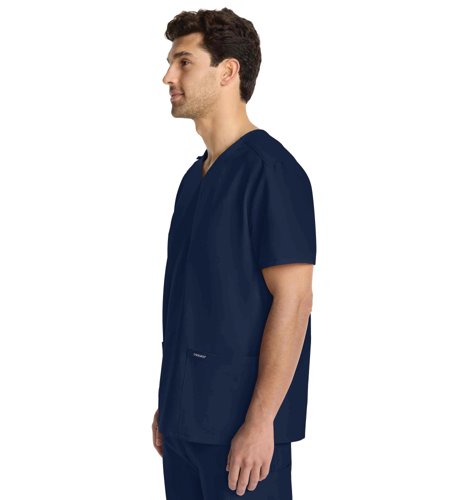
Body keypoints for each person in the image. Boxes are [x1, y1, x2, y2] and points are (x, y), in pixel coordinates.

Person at [152, 8, 317, 499]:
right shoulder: (194, 178)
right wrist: (172, 402)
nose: (168, 76)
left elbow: (295, 301)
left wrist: (261, 422)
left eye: (184, 62)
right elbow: (199, 301)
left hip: (242, 437)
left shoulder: (271, 172)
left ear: (227, 71)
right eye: (171, 63)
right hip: (184, 427)